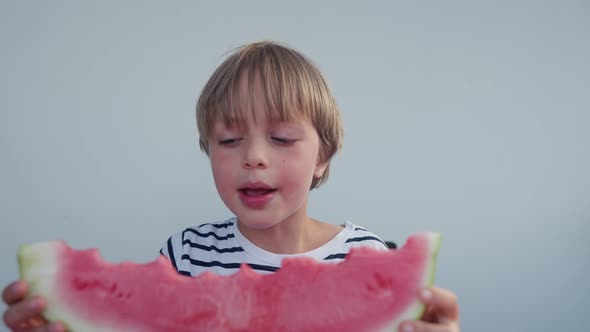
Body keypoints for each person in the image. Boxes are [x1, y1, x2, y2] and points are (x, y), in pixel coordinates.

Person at [2, 41, 460, 332]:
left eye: (281, 138)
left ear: (322, 158)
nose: (254, 156)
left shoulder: (369, 256)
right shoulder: (186, 254)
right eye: (229, 139)